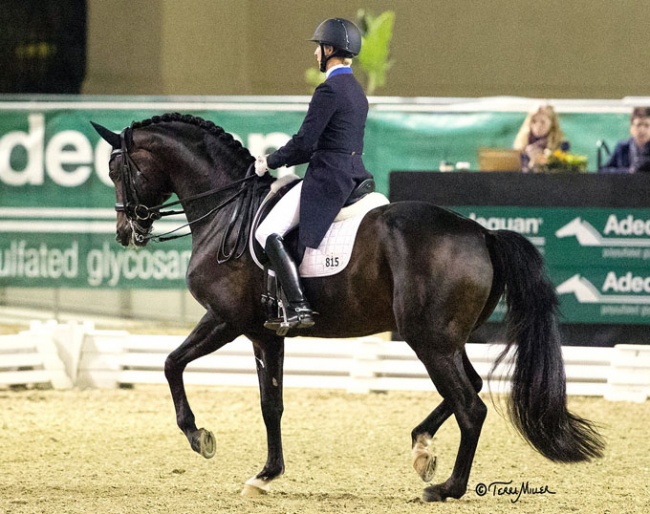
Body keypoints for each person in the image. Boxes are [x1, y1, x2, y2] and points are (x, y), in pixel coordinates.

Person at [254, 18, 374, 332]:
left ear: (330, 49)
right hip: (354, 174)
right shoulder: (357, 92)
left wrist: (270, 161)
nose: (315, 55)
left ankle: (298, 306)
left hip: (327, 178)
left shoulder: (329, 90)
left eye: (318, 48)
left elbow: (305, 144)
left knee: (267, 232)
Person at [513, 104, 569, 172]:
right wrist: (532, 162)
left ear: (552, 123)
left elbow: (563, 172)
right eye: (534, 121)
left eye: (543, 122)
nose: (538, 125)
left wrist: (545, 162)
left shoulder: (561, 145)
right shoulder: (522, 145)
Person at [600, 107, 650, 173]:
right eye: (639, 125)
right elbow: (604, 171)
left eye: (646, 125)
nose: (642, 130)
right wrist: (629, 171)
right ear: (631, 128)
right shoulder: (622, 147)